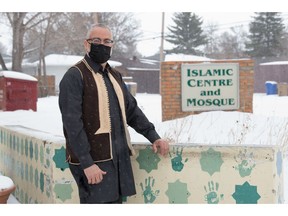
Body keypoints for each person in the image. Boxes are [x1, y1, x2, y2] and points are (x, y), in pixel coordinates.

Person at [58, 23, 169, 204]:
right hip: (94, 165)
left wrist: (153, 136)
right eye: (97, 40)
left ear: (112, 46)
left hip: (118, 161)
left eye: (107, 41)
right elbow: (72, 125)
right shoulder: (75, 75)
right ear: (87, 44)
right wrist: (87, 163)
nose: (103, 44)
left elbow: (132, 111)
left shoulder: (114, 75)